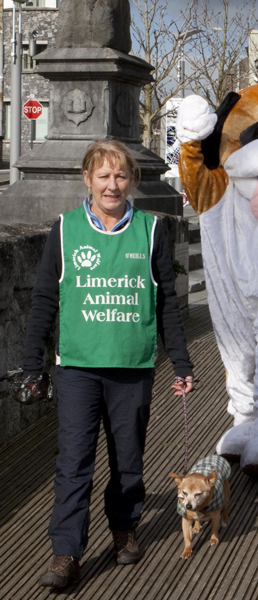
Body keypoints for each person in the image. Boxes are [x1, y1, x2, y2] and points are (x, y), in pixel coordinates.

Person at [22, 140, 195, 588]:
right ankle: (66, 552)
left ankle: (124, 529)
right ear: (88, 179)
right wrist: (31, 364)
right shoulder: (65, 230)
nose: (112, 184)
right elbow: (43, 301)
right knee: (74, 461)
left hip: (132, 366)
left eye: (120, 176)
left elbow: (168, 305)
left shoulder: (152, 231)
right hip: (78, 366)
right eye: (104, 176)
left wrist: (182, 362)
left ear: (131, 181)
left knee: (128, 460)